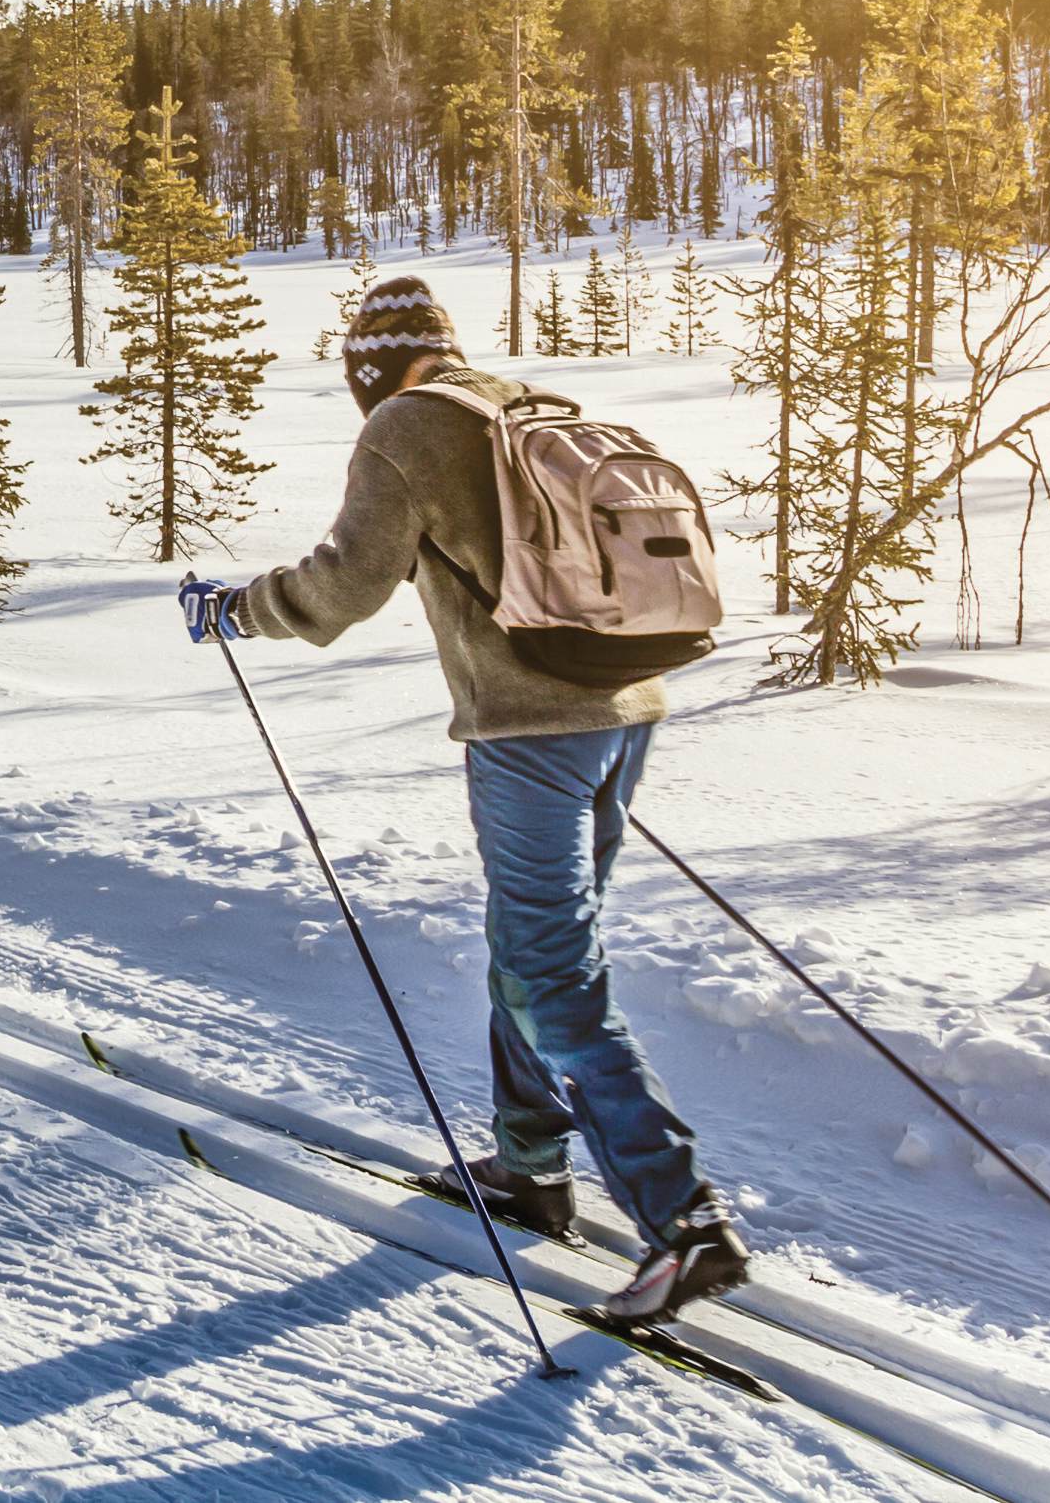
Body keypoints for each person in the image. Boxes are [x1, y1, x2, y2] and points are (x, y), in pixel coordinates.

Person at [179, 273, 749, 1327]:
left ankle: (684, 1221)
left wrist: (233, 610)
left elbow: (343, 586)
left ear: (367, 367)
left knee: (548, 968)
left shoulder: (405, 425)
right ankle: (531, 1164)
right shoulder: (523, 402)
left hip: (533, 731)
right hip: (624, 712)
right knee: (531, 949)